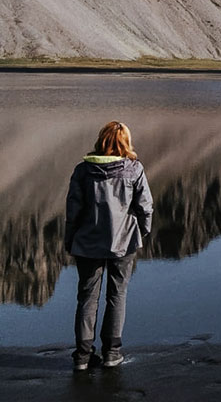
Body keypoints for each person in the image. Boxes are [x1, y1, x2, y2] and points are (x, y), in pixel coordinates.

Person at [65, 121, 153, 371]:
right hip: (123, 242)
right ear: (126, 142)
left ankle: (82, 356)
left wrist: (70, 239)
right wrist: (141, 232)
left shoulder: (82, 171)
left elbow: (73, 210)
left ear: (101, 140)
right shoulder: (134, 170)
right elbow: (145, 207)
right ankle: (112, 353)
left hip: (87, 243)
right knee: (117, 295)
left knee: (87, 298)